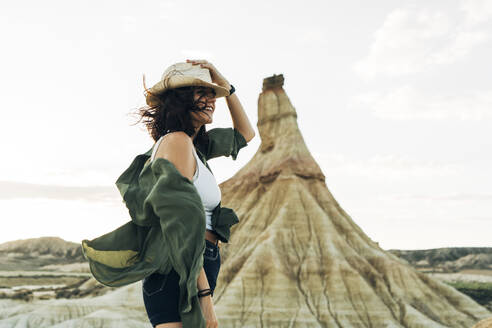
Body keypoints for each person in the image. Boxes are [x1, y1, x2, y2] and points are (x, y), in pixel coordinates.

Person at [136, 59, 256, 328]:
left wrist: (226, 86)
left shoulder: (195, 147)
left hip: (197, 264)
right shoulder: (177, 143)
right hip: (180, 269)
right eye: (202, 92)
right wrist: (204, 297)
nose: (211, 99)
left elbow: (246, 134)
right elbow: (180, 226)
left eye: (213, 93)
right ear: (180, 100)